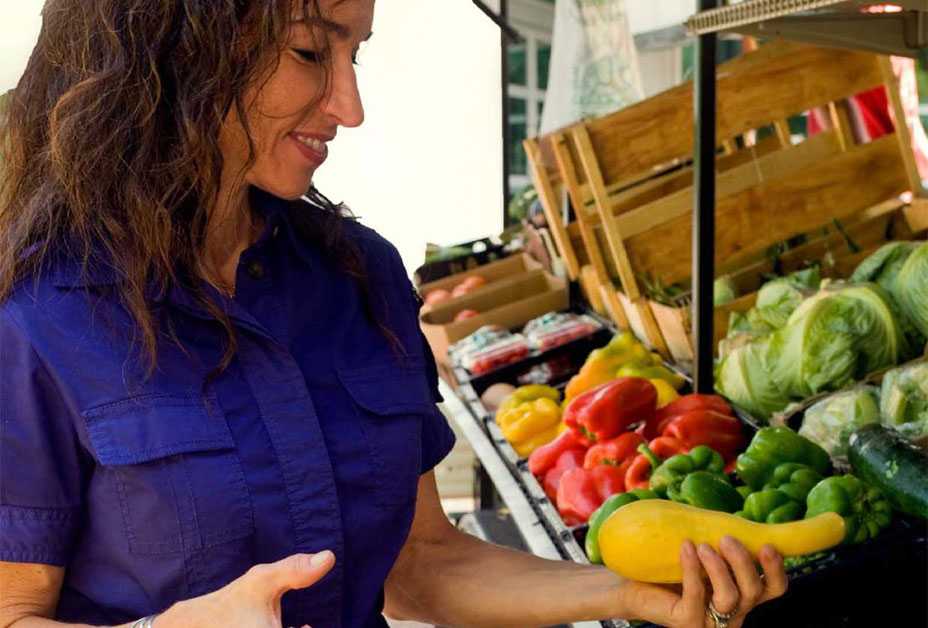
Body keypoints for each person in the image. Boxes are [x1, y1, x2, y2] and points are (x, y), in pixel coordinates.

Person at [0, 2, 787, 627]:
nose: (349, 106)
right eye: (312, 51)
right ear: (178, 50)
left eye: (356, 55)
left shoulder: (360, 274)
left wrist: (624, 594)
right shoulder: (36, 314)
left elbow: (420, 568)